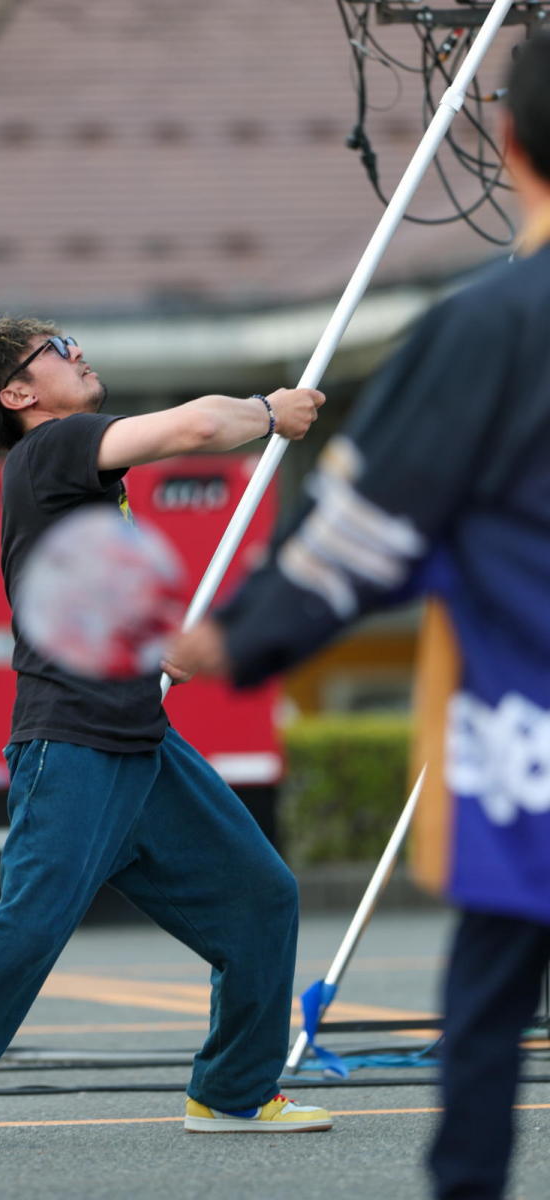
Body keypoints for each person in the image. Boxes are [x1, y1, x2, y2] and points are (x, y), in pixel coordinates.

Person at [173, 34, 550, 1200]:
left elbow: (370, 527)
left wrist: (237, 637)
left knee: (487, 1010)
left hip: (528, 743)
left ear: (507, 139)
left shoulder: (491, 323)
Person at [0, 317, 331, 1149]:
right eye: (57, 348)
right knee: (33, 922)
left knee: (261, 899)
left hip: (141, 740)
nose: (77, 351)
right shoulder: (53, 448)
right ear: (19, 394)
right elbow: (195, 426)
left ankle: (232, 1091)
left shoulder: (80, 486)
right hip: (71, 742)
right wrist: (269, 410)